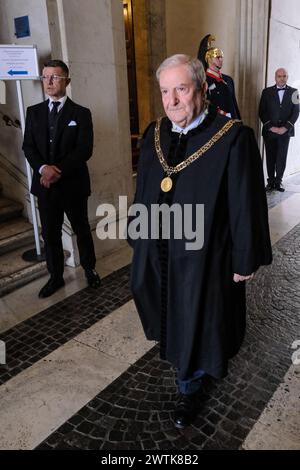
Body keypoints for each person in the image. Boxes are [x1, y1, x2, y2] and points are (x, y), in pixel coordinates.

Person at [128, 54, 272, 429]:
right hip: (160, 252)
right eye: (164, 91)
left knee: (197, 319)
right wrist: (137, 232)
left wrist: (244, 259)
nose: (171, 100)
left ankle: (189, 387)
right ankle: (184, 366)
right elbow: (143, 187)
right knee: (167, 311)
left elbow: (245, 202)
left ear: (203, 90)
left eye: (181, 89)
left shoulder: (232, 138)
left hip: (205, 257)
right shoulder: (154, 134)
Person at [23, 59, 101, 298]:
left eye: (54, 77)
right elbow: (28, 147)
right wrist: (43, 168)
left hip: (73, 185)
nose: (48, 82)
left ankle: (90, 269)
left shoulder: (81, 113)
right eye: (44, 77)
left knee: (81, 229)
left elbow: (84, 149)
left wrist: (56, 170)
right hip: (45, 187)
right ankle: (55, 276)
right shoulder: (33, 112)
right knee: (50, 233)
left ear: (67, 80)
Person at [259, 68, 299, 192]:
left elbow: (296, 112)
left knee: (281, 157)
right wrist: (271, 127)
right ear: (275, 77)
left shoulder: (294, 92)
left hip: (285, 132)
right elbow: (262, 111)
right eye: (279, 76)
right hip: (270, 131)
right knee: (270, 157)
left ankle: (279, 181)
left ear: (287, 77)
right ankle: (270, 182)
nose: (281, 78)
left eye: (284, 76)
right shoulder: (266, 92)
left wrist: (286, 127)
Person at [197, 34, 241, 119]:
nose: (221, 60)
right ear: (209, 59)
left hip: (231, 121)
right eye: (217, 57)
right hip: (215, 121)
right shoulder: (203, 80)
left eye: (221, 57)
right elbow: (203, 105)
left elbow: (233, 104)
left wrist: (238, 121)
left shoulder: (228, 80)